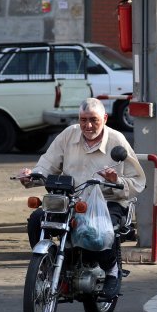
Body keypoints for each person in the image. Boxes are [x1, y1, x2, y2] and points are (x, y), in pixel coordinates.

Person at [18, 97, 146, 299]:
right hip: (73, 200)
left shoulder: (117, 140)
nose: (88, 125)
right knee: (37, 219)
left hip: (108, 200)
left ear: (104, 118)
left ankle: (112, 270)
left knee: (97, 231)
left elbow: (138, 181)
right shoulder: (69, 134)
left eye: (93, 120)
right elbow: (48, 164)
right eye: (83, 119)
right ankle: (48, 266)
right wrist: (31, 176)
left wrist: (117, 180)